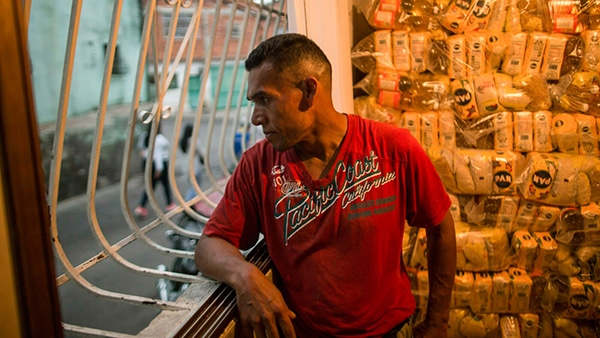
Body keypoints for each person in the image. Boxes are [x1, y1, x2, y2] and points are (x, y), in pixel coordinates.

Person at [194, 33, 456, 338]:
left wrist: (438, 322)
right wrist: (245, 275)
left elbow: (441, 227)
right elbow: (208, 246)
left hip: (390, 331)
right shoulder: (258, 166)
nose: (255, 118)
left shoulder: (393, 149)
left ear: (308, 91)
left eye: (265, 99)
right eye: (254, 103)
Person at [134, 123, 176, 217]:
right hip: (159, 164)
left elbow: (141, 149)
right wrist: (159, 168)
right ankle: (168, 204)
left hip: (148, 162)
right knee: (163, 185)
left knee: (152, 186)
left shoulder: (145, 136)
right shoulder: (159, 139)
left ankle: (142, 206)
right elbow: (158, 155)